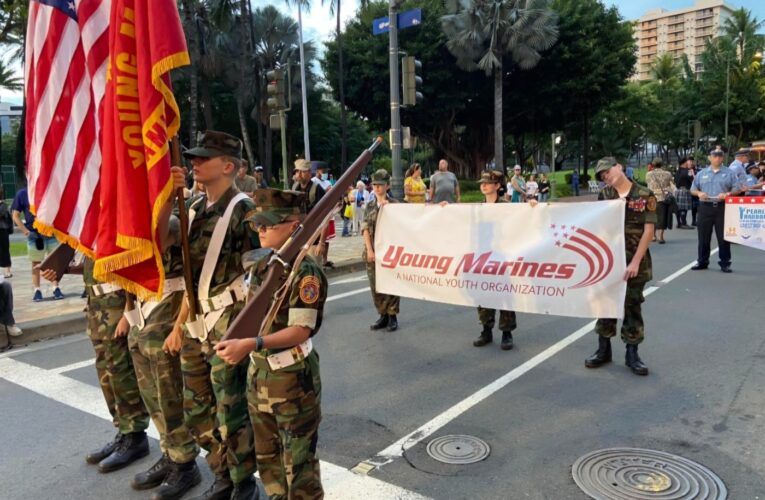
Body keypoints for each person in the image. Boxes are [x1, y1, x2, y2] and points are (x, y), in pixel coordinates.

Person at [166, 130, 259, 500]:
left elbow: (263, 273)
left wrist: (251, 336)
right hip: (194, 323)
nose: (194, 163)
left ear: (228, 166)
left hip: (229, 321)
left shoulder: (244, 209)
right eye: (194, 157)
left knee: (231, 407)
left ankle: (242, 481)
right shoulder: (191, 208)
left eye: (203, 158)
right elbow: (187, 273)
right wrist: (177, 326)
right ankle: (221, 471)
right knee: (197, 408)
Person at [216, 188, 326, 500]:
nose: (261, 231)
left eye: (268, 225)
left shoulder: (306, 270)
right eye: (258, 226)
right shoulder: (263, 265)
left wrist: (253, 342)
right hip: (260, 375)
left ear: (294, 226)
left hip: (292, 378)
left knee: (299, 465)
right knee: (268, 458)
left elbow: (301, 330)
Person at [42, 257, 151, 470]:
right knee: (106, 373)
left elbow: (136, 261)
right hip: (97, 306)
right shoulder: (94, 228)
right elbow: (98, 265)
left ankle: (135, 435)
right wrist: (64, 268)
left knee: (121, 372)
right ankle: (123, 429)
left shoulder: (114, 223)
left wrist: (130, 313)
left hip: (117, 305)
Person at [126, 215, 201, 499]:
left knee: (170, 399)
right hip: (144, 324)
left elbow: (192, 285)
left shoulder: (179, 235)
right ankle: (169, 453)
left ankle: (184, 463)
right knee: (153, 399)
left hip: (166, 329)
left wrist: (179, 328)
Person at [585, 157, 655, 376]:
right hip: (609, 262)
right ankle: (603, 349)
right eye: (602, 176)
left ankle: (632, 353)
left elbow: (649, 231)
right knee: (605, 304)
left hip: (635, 262)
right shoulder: (605, 196)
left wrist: (635, 262)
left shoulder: (645, 194)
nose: (606, 176)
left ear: (619, 167)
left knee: (632, 306)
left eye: (607, 171)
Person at [473, 170, 518, 350]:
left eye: (488, 182)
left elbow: (523, 222)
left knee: (505, 294)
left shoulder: (507, 206)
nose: (483, 185)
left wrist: (531, 205)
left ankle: (507, 333)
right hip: (482, 259)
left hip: (502, 258)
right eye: (482, 182)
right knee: (483, 293)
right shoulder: (476, 208)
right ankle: (486, 330)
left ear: (498, 186)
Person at [690, 149, 741, 273]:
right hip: (705, 207)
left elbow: (737, 189)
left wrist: (728, 193)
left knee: (723, 237)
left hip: (722, 207)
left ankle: (725, 263)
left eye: (720, 156)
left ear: (723, 158)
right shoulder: (702, 173)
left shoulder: (729, 173)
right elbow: (693, 189)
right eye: (715, 156)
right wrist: (699, 193)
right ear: (709, 158)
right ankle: (702, 261)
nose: (718, 158)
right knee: (703, 236)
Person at [363, 169, 401, 332]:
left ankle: (393, 316)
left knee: (391, 284)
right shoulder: (370, 205)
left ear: (387, 186)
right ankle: (382, 315)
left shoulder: (395, 205)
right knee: (376, 285)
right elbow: (364, 228)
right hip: (372, 252)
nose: (377, 188)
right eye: (375, 185)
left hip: (389, 252)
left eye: (380, 185)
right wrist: (370, 250)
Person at [11, 187, 63, 301]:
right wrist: (26, 232)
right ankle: (37, 289)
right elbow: (15, 215)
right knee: (36, 263)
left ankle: (55, 287)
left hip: (51, 233)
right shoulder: (22, 193)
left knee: (54, 262)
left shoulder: (48, 187)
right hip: (34, 235)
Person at [645, 157, 675, 244]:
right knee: (662, 218)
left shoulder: (649, 174)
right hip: (663, 198)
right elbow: (671, 183)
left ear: (653, 165)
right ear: (662, 164)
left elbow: (647, 183)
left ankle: (653, 236)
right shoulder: (668, 173)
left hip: (652, 198)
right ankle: (661, 236)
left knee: (652, 217)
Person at [674, 157, 694, 228]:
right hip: (685, 191)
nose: (689, 163)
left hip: (678, 190)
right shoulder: (688, 171)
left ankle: (679, 223)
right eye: (688, 161)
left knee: (678, 207)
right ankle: (684, 223)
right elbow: (693, 180)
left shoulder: (677, 171)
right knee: (684, 208)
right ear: (685, 163)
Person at [0, 187, 12, 277]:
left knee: (4, 250)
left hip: (2, 230)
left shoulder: (3, 205)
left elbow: (1, 214)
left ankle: (8, 270)